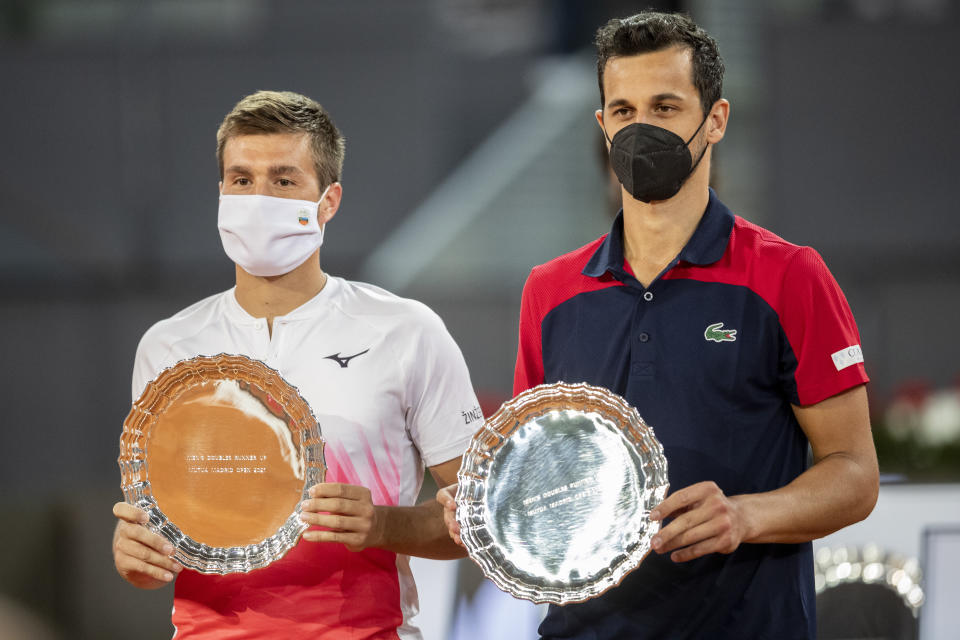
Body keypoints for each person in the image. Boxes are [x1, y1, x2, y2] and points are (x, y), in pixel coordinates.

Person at [438, 11, 878, 640]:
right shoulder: (551, 291)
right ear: (601, 125)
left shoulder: (790, 276)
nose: (640, 128)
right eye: (623, 111)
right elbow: (540, 468)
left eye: (665, 106)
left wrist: (746, 516)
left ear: (716, 120)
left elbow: (856, 475)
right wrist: (487, 507)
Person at [112, 90, 481, 638]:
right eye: (241, 180)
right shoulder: (168, 347)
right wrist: (136, 557)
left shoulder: (406, 331)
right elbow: (160, 538)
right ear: (220, 192)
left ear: (328, 201)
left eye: (283, 181)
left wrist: (383, 525)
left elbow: (481, 516)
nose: (257, 198)